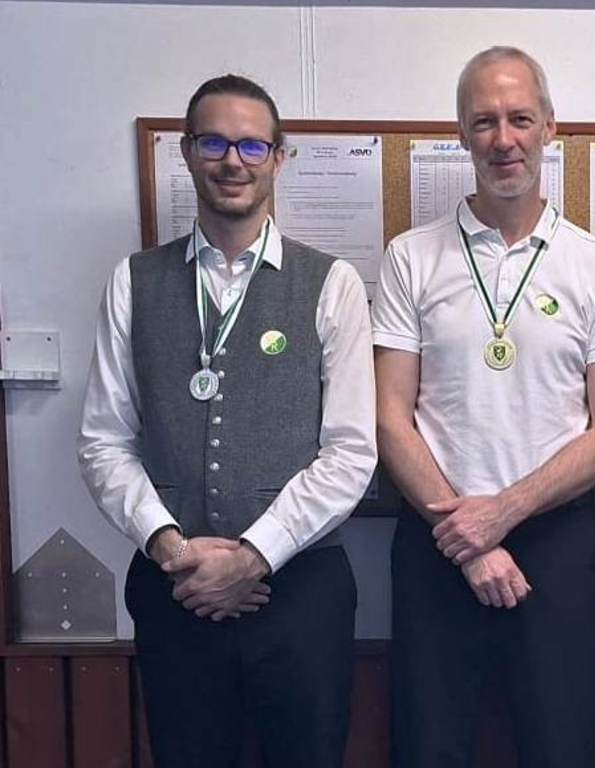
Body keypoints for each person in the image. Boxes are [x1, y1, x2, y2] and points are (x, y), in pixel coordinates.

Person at [78, 74, 376, 768]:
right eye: (214, 143)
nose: (232, 161)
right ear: (187, 153)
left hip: (301, 594)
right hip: (173, 588)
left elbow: (351, 452)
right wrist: (171, 548)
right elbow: (103, 440)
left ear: (279, 157)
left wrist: (252, 556)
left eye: (251, 145)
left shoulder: (332, 284)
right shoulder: (134, 281)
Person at [372, 46, 595, 768]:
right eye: (484, 121)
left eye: (520, 118)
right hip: (436, 544)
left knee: (560, 748)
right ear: (460, 133)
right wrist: (468, 536)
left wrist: (502, 514)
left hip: (557, 546)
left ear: (550, 126)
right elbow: (389, 418)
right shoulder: (410, 257)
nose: (503, 139)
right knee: (428, 750)